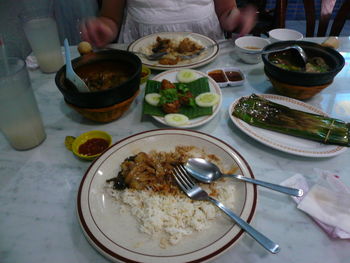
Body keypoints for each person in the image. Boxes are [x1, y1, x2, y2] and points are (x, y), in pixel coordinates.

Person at [81, 0, 257, 47]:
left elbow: (226, 12)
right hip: (145, 60)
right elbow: (111, 18)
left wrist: (236, 18)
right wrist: (105, 29)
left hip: (205, 55)